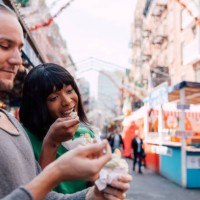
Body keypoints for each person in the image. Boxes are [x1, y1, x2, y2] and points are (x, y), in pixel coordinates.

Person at [0, 4, 132, 199]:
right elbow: (39, 188)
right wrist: (54, 154)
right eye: (4, 46)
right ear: (38, 105)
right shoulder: (27, 135)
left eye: (70, 91)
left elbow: (43, 195)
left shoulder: (11, 125)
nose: (18, 60)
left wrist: (97, 192)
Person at [19, 63, 99, 194]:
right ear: (38, 105)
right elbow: (33, 193)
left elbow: (95, 187)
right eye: (54, 98)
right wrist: (52, 141)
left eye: (69, 91)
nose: (67, 101)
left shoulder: (85, 134)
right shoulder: (23, 138)